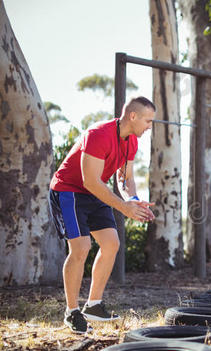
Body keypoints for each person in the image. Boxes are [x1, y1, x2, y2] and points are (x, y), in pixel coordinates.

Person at [49, 96, 156, 334]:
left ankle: (94, 305)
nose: (150, 126)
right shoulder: (99, 134)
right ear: (133, 116)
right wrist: (122, 207)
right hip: (69, 191)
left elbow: (125, 178)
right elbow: (90, 181)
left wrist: (133, 201)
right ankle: (71, 311)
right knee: (81, 248)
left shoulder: (132, 142)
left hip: (95, 192)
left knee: (111, 244)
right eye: (148, 121)